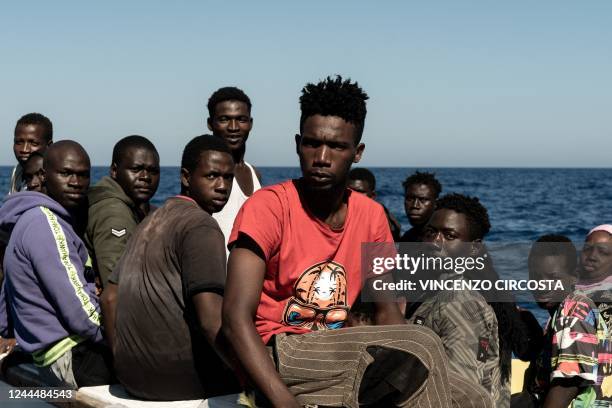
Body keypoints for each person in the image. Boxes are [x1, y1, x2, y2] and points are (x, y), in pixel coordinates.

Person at [222, 76, 454, 408]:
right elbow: (234, 318)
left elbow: (388, 313)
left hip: (337, 349)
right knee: (422, 345)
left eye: (337, 147)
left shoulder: (371, 216)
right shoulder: (268, 208)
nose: (321, 157)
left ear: (357, 152)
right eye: (312, 143)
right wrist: (282, 401)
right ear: (297, 143)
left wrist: (410, 355)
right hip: (276, 353)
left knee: (464, 391)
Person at [104, 135, 241, 402]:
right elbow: (210, 320)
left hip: (130, 378)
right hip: (180, 381)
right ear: (187, 177)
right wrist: (251, 373)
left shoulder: (151, 219)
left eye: (228, 178)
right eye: (212, 176)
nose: (222, 186)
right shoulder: (200, 225)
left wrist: (122, 361)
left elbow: (109, 298)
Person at [0, 141, 113, 388]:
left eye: (83, 175)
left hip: (49, 354)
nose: (76, 182)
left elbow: (6, 299)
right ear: (44, 176)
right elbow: (81, 315)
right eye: (66, 173)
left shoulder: (27, 218)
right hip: (69, 357)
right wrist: (123, 335)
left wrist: (8, 332)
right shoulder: (45, 223)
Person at [406, 193, 501, 406]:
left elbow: (461, 392)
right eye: (430, 232)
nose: (435, 242)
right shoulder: (433, 292)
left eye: (449, 236)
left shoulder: (460, 303)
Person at [544, 225, 612, 408]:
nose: (592, 256)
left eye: (603, 252)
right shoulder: (572, 293)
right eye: (588, 249)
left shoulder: (579, 304)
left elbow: (569, 381)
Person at [85, 135, 160, 288]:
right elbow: (118, 289)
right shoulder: (114, 213)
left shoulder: (118, 202)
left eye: (153, 171)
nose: (145, 177)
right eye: (136, 169)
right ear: (114, 170)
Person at [512, 234, 577, 407]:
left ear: (574, 277)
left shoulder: (575, 315)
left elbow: (567, 387)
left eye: (553, 279)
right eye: (535, 276)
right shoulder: (556, 315)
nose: (542, 285)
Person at [207, 86, 262, 255]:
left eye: (241, 119)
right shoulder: (206, 173)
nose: (233, 127)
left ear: (251, 123)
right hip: (214, 275)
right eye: (224, 119)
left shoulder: (254, 173)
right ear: (210, 124)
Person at [348, 167, 401, 241]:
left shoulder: (381, 218)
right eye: (350, 191)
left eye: (359, 192)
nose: (354, 195)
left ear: (372, 195)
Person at [9, 113, 53, 194]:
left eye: (34, 143)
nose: (24, 149)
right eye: (19, 142)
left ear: (49, 146)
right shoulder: (17, 171)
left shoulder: (54, 178)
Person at [399, 171, 441, 242]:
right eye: (410, 199)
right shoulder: (408, 237)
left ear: (436, 203)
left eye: (423, 200)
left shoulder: (441, 238)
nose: (415, 205)